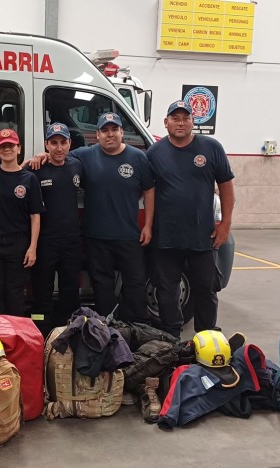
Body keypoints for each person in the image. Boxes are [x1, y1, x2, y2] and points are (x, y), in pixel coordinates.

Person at [31, 112, 155, 324]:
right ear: (96, 134)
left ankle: (138, 329)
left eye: (114, 129)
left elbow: (149, 190)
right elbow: (57, 158)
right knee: (101, 286)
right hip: (95, 236)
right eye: (104, 130)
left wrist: (149, 226)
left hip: (129, 235)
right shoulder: (84, 156)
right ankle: (104, 328)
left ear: (122, 132)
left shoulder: (138, 158)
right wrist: (37, 157)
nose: (110, 134)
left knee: (135, 284)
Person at [146, 100, 235, 335]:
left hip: (202, 236)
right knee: (166, 290)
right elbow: (146, 189)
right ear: (166, 123)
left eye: (186, 118)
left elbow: (226, 186)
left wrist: (225, 223)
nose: (181, 123)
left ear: (193, 122)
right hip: (166, 236)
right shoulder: (155, 152)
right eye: (175, 118)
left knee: (206, 289)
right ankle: (171, 337)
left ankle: (206, 337)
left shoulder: (212, 148)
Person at [0, 129, 44, 316]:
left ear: (19, 148)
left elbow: (35, 215)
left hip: (18, 244)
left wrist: (32, 248)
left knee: (15, 295)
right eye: (2, 147)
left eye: (11, 146)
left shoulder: (29, 179)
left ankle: (14, 340)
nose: (7, 150)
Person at [27, 123, 83, 332]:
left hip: (71, 241)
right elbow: (12, 172)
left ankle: (65, 332)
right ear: (46, 145)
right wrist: (30, 159)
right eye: (54, 143)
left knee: (70, 291)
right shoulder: (36, 168)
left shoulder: (78, 166)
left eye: (63, 142)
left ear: (70, 144)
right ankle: (40, 331)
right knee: (42, 291)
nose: (59, 148)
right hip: (45, 242)